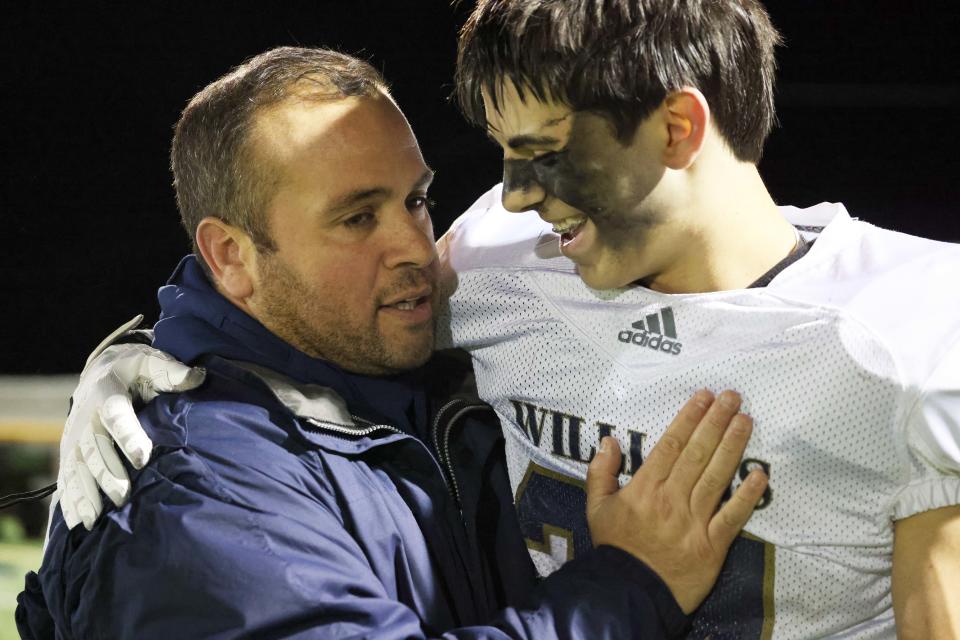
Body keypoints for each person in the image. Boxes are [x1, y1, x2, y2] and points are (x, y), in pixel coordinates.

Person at [49, 0, 960, 637]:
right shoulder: (496, 268)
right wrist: (153, 355)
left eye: (545, 154)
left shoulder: (911, 328)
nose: (515, 198)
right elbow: (290, 316)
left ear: (678, 130)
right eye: (503, 158)